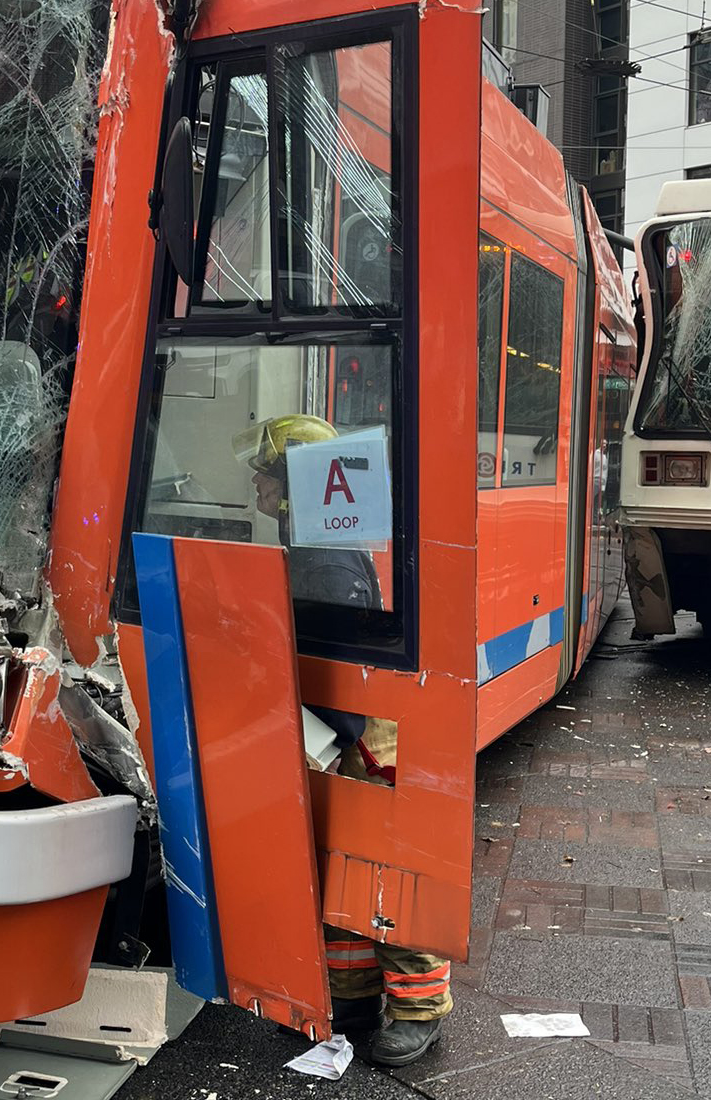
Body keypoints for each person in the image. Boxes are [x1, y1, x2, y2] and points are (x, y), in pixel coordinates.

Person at [237, 413, 452, 1067]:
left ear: (297, 479)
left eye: (267, 473)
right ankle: (352, 996)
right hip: (339, 738)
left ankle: (418, 1007)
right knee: (339, 872)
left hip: (356, 744)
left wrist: (322, 739)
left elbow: (339, 663)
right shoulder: (310, 539)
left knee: (382, 875)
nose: (257, 483)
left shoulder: (321, 556)